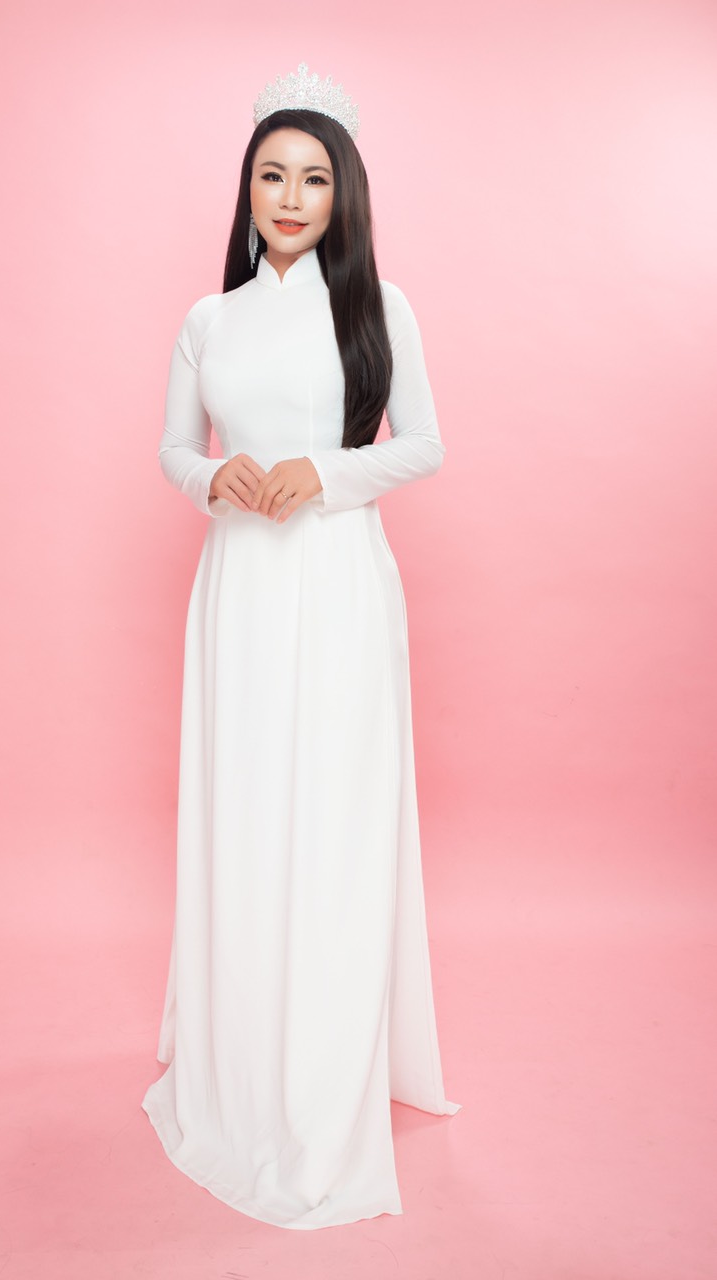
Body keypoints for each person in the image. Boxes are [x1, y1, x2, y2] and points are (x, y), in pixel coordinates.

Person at [141, 62, 460, 1231]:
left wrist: (318, 474)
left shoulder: (380, 305)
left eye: (313, 178)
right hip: (237, 585)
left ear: (343, 193)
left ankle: (324, 1074)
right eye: (271, 175)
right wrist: (215, 476)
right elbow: (174, 450)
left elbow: (423, 444)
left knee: (328, 813)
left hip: (335, 582)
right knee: (244, 807)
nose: (289, 196)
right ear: (248, 188)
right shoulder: (209, 318)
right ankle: (237, 1048)